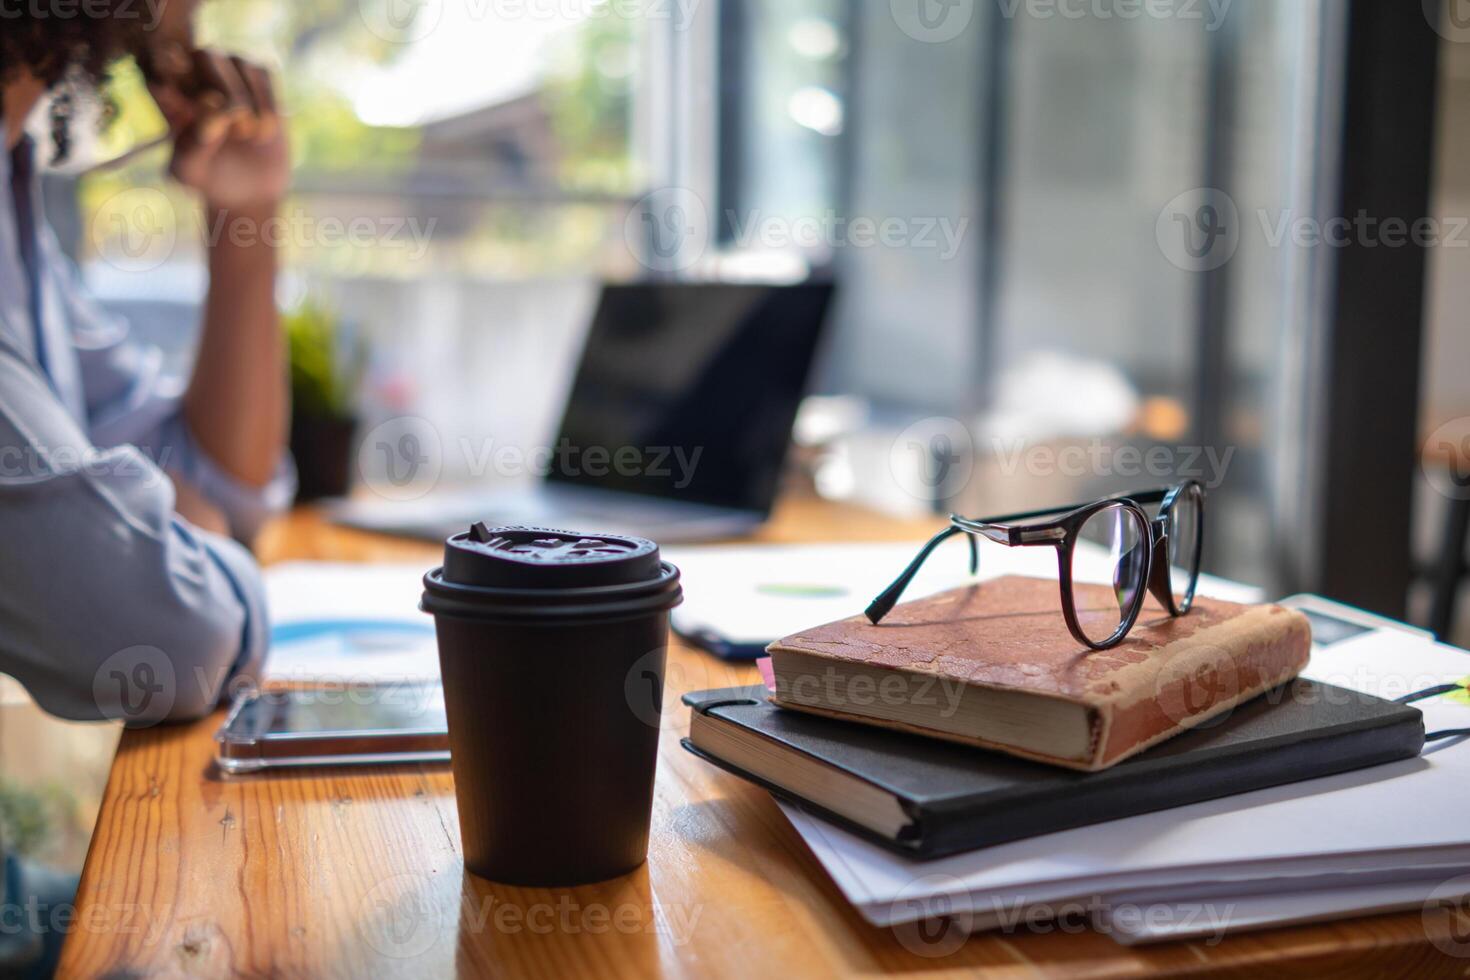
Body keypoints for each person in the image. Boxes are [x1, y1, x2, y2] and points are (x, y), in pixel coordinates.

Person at [0, 4, 289, 971]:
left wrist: (244, 216)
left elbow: (212, 481)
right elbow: (165, 632)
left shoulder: (10, 181)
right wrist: (184, 537)